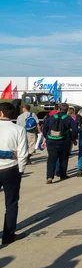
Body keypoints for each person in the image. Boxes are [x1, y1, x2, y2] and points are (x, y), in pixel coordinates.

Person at [0, 103, 28, 245]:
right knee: (11, 203)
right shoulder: (18, 130)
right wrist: (20, 170)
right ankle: (8, 235)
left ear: (0, 113)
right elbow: (23, 154)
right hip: (10, 170)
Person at [42, 103, 78, 184]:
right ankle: (62, 175)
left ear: (59, 109)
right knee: (63, 158)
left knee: (51, 159)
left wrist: (47, 137)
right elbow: (75, 129)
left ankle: (49, 177)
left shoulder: (51, 118)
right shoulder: (68, 118)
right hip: (64, 141)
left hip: (51, 141)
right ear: (67, 110)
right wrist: (73, 138)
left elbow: (44, 129)